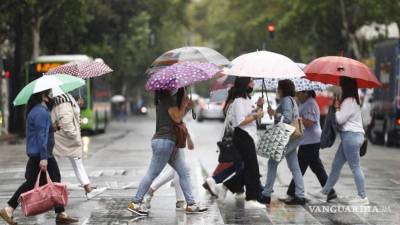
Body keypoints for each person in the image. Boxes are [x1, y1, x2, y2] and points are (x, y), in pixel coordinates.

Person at [0, 90, 78, 225]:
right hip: (41, 155)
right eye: (50, 94)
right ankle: (9, 208)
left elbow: (42, 131)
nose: (52, 96)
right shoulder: (41, 113)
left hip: (41, 154)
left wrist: (53, 127)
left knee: (53, 180)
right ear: (43, 97)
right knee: (33, 184)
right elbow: (41, 137)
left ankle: (60, 213)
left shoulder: (37, 111)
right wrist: (44, 158)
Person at [127, 88, 207, 216]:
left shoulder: (167, 99)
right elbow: (176, 118)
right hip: (164, 142)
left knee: (184, 172)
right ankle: (135, 202)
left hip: (170, 142)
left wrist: (186, 106)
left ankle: (191, 204)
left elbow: (177, 119)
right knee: (152, 173)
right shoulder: (167, 99)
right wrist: (184, 105)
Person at [312, 77, 368, 205]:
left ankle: (362, 196)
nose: (341, 88)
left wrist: (337, 108)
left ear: (346, 87)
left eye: (342, 86)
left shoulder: (349, 100)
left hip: (351, 137)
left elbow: (340, 120)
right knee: (336, 165)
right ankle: (325, 191)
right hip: (351, 137)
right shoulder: (354, 101)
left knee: (355, 167)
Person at [214, 77, 264, 202]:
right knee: (252, 169)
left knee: (250, 168)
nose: (253, 83)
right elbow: (240, 122)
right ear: (245, 84)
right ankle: (252, 199)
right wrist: (256, 115)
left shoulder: (248, 99)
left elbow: (254, 118)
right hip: (242, 136)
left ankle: (226, 186)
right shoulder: (238, 101)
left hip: (250, 135)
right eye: (251, 81)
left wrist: (259, 106)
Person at [281, 90, 337, 202]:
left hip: (310, 141)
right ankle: (330, 191)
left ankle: (293, 193)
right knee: (316, 167)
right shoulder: (304, 103)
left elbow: (310, 122)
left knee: (299, 167)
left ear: (306, 93)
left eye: (299, 93)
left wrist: (296, 119)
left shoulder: (310, 103)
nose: (297, 95)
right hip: (308, 141)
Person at [51, 93, 107, 200]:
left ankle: (88, 189)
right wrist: (74, 136)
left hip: (63, 139)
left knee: (76, 163)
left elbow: (68, 113)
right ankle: (43, 193)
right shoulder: (63, 99)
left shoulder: (66, 97)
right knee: (55, 166)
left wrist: (77, 105)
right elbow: (66, 121)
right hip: (66, 139)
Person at [259, 79, 306, 205]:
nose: (277, 91)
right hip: (293, 137)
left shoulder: (286, 100)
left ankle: (266, 194)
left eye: (278, 88)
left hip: (287, 137)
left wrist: (275, 113)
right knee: (294, 166)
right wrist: (273, 113)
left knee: (272, 162)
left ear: (282, 89)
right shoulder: (291, 100)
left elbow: (287, 119)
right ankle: (300, 195)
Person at [202, 87, 244, 199]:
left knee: (238, 165)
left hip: (230, 139)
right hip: (235, 140)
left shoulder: (229, 104)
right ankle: (223, 184)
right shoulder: (234, 104)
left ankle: (217, 182)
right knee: (242, 166)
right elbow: (237, 123)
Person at [143, 130, 195, 210]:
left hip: (167, 138)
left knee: (180, 169)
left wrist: (187, 135)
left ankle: (151, 189)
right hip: (169, 138)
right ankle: (180, 201)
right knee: (180, 168)